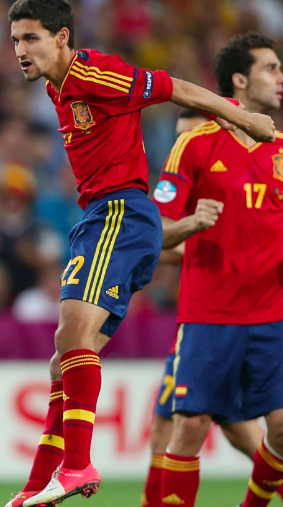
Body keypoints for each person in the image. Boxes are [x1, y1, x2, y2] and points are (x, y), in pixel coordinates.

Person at [5, 0, 277, 507]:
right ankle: (40, 483)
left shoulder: (93, 73)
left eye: (31, 38)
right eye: (15, 39)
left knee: (72, 336)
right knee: (64, 360)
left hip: (120, 213)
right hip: (104, 217)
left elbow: (173, 87)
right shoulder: (57, 88)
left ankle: (77, 466)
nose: (20, 49)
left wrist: (241, 118)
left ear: (62, 37)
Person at [151, 33, 283, 507]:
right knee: (190, 427)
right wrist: (191, 223)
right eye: (271, 69)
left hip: (272, 316)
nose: (281, 78)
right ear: (240, 80)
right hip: (209, 316)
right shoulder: (193, 145)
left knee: (281, 429)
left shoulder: (282, 151)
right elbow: (154, 232)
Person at [141, 108, 267, 507]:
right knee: (175, 423)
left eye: (190, 135)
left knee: (230, 429)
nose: (182, 145)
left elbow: (165, 246)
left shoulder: (236, 181)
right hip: (202, 320)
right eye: (179, 137)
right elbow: (158, 241)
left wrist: (180, 238)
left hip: (230, 317)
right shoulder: (186, 189)